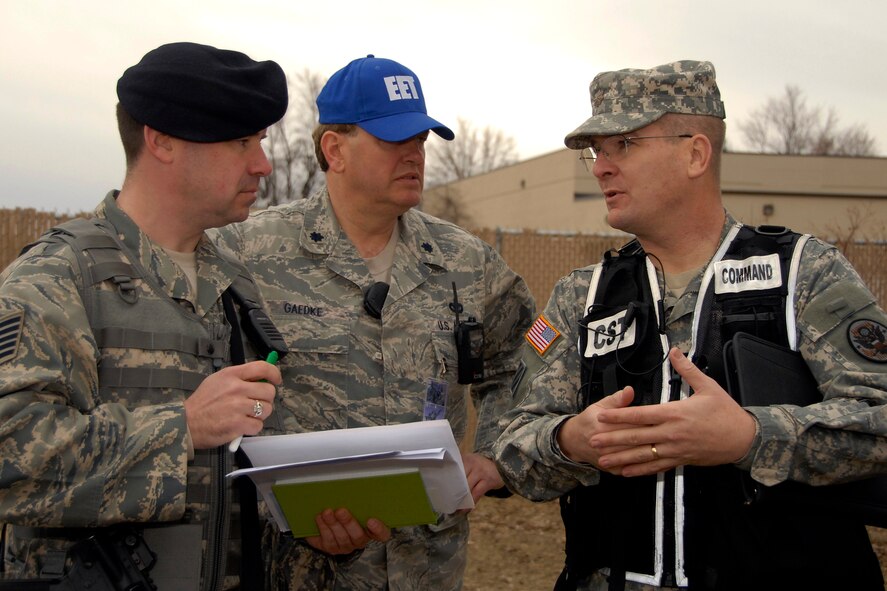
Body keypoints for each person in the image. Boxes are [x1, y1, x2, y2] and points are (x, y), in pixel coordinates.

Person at [493, 60, 887, 591]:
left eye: (624, 144)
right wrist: (571, 441)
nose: (600, 167)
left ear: (695, 153)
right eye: (596, 151)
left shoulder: (803, 274)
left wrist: (751, 437)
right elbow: (511, 446)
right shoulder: (582, 295)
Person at [212, 54, 536, 590]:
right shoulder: (248, 254)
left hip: (427, 568)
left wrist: (497, 453)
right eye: (394, 139)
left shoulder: (465, 264)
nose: (414, 154)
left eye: (421, 140)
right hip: (291, 570)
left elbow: (529, 360)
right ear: (334, 149)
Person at [0, 42, 288, 590]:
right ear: (161, 141)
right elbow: (10, 460)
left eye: (261, 141)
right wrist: (181, 429)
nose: (263, 165)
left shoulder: (235, 284)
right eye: (240, 141)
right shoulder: (57, 279)